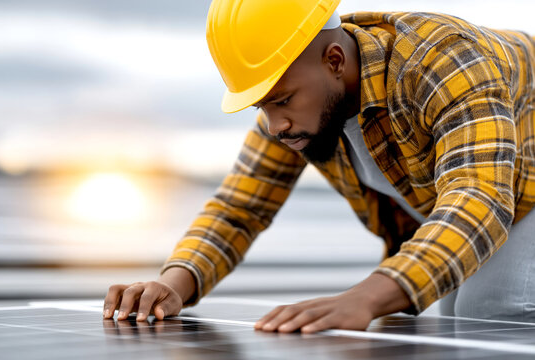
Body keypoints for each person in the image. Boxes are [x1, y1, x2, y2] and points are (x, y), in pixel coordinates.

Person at [103, 0, 535, 333]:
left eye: (282, 101)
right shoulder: (298, 105)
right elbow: (241, 207)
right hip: (479, 196)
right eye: (262, 106)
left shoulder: (444, 61)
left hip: (513, 181)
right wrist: (173, 284)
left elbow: (480, 196)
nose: (275, 126)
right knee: (457, 316)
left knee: (488, 309)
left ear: (334, 60)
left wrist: (365, 297)